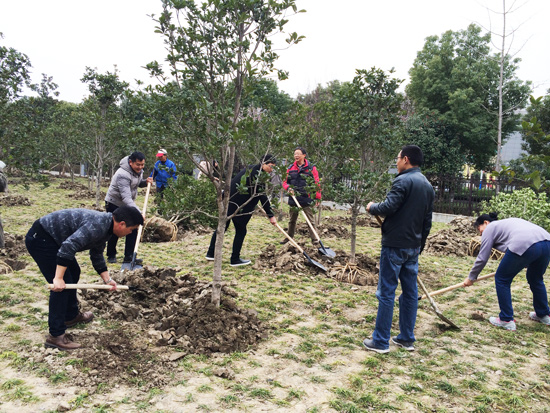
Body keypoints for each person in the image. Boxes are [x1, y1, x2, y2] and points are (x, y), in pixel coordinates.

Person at [25, 206, 144, 350]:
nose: (130, 233)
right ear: (122, 224)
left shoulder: (107, 227)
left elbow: (97, 254)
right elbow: (68, 247)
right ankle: (56, 336)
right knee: (62, 287)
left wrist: (107, 280)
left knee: (74, 271)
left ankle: (70, 316)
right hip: (41, 238)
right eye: (131, 229)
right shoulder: (98, 226)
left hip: (55, 240)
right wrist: (58, 278)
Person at [363, 145, 435, 354]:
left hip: (394, 245)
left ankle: (380, 341)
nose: (396, 162)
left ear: (406, 159)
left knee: (386, 292)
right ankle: (406, 338)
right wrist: (420, 246)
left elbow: (389, 207)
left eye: (397, 158)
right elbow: (427, 221)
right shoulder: (427, 185)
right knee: (410, 293)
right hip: (413, 247)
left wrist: (372, 207)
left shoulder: (403, 181)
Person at [463, 213, 550, 331]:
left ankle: (506, 319)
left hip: (524, 242)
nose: (480, 234)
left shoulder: (490, 228)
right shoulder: (506, 225)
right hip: (546, 242)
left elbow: (483, 257)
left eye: (479, 229)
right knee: (536, 279)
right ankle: (543, 314)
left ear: (486, 223)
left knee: (502, 279)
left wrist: (471, 277)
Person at [206, 154, 277, 266]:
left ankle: (211, 253)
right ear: (264, 163)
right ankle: (235, 259)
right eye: (271, 166)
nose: (271, 170)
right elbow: (262, 196)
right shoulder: (258, 175)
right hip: (238, 205)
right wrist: (271, 215)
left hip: (228, 201)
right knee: (240, 230)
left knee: (222, 227)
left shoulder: (250, 168)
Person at [105, 152, 153, 264]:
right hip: (114, 203)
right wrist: (138, 212)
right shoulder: (122, 174)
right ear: (131, 162)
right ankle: (111, 255)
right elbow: (126, 197)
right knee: (115, 229)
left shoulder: (138, 171)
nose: (140, 167)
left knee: (133, 227)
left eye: (142, 165)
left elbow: (137, 183)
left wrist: (145, 182)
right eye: (138, 165)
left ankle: (129, 256)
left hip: (127, 203)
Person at [281, 147, 321, 244]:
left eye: (298, 154)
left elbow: (316, 183)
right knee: (292, 220)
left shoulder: (311, 168)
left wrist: (317, 197)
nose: (296, 155)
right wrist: (288, 188)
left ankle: (315, 240)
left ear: (304, 155)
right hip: (294, 197)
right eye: (295, 154)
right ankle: (289, 238)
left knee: (310, 220)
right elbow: (284, 182)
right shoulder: (290, 168)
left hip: (306, 198)